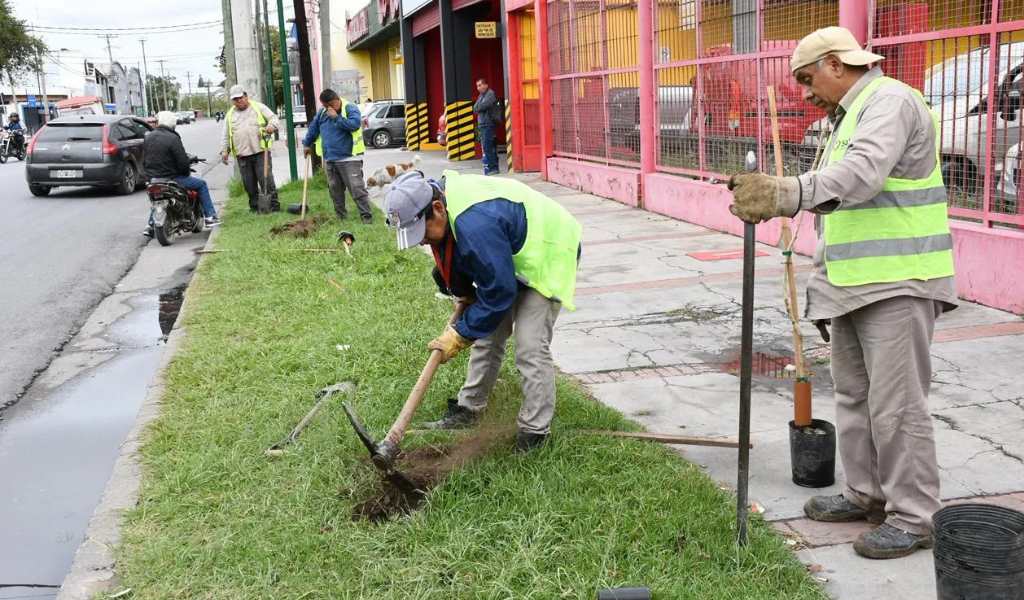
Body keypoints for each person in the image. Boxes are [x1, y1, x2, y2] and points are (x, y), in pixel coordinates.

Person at [728, 26, 957, 559]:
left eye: (809, 79)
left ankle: (914, 515)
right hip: (854, 284)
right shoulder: (848, 115)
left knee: (898, 405)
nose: (806, 93)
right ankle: (867, 493)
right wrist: (822, 287)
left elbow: (861, 177)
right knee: (855, 397)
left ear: (836, 63)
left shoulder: (890, 102)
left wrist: (788, 191)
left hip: (899, 281)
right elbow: (840, 208)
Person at [383, 170, 582, 452]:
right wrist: (462, 293)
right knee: (487, 334)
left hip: (548, 249)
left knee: (529, 345)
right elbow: (454, 255)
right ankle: (469, 409)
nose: (423, 241)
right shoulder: (445, 208)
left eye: (422, 232)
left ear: (437, 209)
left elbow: (499, 292)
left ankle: (535, 432)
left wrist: (460, 333)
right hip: (509, 247)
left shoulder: (474, 222)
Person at [142, 111, 220, 236]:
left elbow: (145, 159)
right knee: (201, 185)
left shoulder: (148, 136)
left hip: (153, 179)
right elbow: (182, 161)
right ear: (173, 124)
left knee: (158, 199)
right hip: (172, 177)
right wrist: (186, 172)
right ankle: (210, 217)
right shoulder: (173, 137)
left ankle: (150, 225)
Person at [302, 89, 374, 223]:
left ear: (334, 101)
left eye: (327, 105)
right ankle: (341, 217)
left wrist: (337, 118)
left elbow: (354, 125)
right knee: (335, 190)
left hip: (350, 158)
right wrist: (307, 143)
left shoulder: (350, 108)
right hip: (330, 158)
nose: (325, 108)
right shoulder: (323, 113)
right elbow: (313, 128)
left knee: (357, 189)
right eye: (323, 106)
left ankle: (366, 217)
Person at [219, 85, 281, 212]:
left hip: (260, 152)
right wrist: (224, 150)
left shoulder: (258, 107)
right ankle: (255, 207)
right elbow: (225, 135)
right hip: (242, 155)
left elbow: (274, 118)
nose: (238, 101)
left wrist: (271, 126)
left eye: (240, 98)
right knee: (249, 184)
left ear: (246, 96)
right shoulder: (230, 115)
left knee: (267, 181)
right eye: (235, 99)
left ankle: (274, 206)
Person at [473, 79, 501, 175]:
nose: (479, 87)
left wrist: (479, 107)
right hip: (482, 124)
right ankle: (492, 167)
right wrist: (479, 106)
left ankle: (493, 168)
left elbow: (483, 106)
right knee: (487, 146)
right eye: (477, 86)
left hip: (488, 124)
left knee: (488, 146)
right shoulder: (481, 96)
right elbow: (475, 108)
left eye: (480, 85)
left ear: (486, 85)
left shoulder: (490, 94)